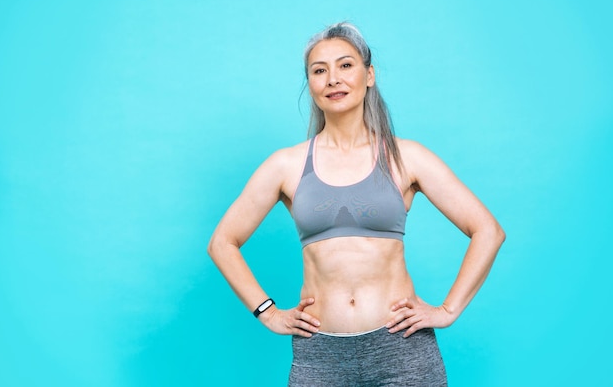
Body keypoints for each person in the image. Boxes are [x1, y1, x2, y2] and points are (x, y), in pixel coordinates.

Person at [207, 22, 505, 386]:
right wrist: (268, 313)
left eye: (345, 65)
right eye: (320, 70)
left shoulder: (406, 157)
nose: (333, 78)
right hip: (320, 357)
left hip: (402, 352)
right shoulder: (286, 165)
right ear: (311, 84)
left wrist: (448, 310)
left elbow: (488, 230)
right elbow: (222, 242)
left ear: (369, 75)